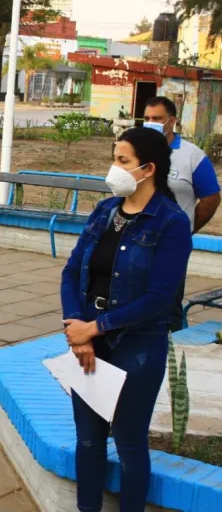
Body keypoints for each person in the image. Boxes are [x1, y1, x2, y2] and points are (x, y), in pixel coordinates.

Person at [60, 126, 192, 512]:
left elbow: (159, 299)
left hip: (137, 346)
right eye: (114, 158)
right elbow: (72, 272)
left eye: (123, 161)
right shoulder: (105, 211)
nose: (113, 168)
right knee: (88, 441)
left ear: (148, 169)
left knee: (130, 445)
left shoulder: (170, 222)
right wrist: (78, 329)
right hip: (88, 341)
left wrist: (94, 328)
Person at [142, 96, 220, 331]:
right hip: (133, 239)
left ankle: (170, 347)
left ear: (172, 121)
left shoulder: (192, 156)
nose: (151, 123)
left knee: (167, 305)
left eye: (157, 118)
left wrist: (186, 228)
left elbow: (211, 198)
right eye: (146, 118)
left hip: (170, 244)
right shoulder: (136, 149)